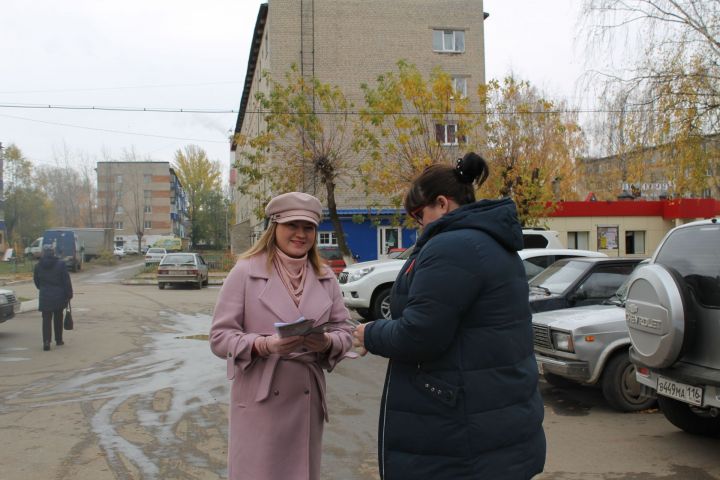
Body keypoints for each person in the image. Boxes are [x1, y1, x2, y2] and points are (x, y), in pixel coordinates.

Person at [352, 152, 546, 480]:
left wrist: (370, 333)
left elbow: (420, 335)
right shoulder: (493, 243)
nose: (417, 225)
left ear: (442, 204)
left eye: (418, 214)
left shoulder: (453, 246)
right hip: (493, 419)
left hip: (461, 431)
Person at [209, 191, 355, 480]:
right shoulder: (245, 272)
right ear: (274, 227)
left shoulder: (325, 276)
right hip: (260, 399)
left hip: (305, 399)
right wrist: (265, 345)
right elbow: (220, 337)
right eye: (292, 225)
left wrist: (326, 342)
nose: (301, 234)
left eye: (308, 227)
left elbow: (345, 330)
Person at [33, 245, 73, 351]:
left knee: (46, 319)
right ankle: (59, 340)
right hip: (59, 295)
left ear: (43, 253)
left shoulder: (38, 266)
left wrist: (43, 289)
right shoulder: (61, 264)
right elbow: (66, 280)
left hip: (45, 295)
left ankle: (46, 342)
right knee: (58, 317)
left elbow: (37, 282)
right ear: (53, 252)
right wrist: (69, 294)